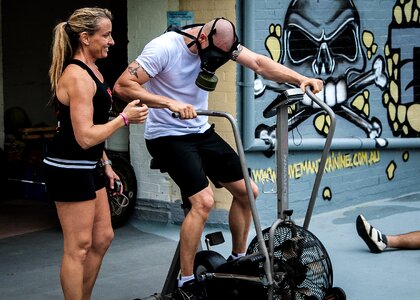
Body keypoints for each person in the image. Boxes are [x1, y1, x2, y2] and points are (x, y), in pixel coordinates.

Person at [113, 17, 323, 299]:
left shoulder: (224, 41)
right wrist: (169, 102)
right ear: (202, 39)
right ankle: (186, 282)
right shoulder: (163, 47)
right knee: (204, 202)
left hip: (199, 128)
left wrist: (300, 78)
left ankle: (238, 261)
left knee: (249, 192)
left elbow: (260, 64)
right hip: (166, 135)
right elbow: (123, 85)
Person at [44, 7, 148, 300]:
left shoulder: (95, 71)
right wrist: (124, 119)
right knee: (77, 247)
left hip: (90, 164)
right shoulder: (76, 76)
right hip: (68, 167)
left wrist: (106, 163)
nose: (111, 41)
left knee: (103, 237)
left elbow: (93, 130)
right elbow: (85, 136)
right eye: (106, 35)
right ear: (86, 38)